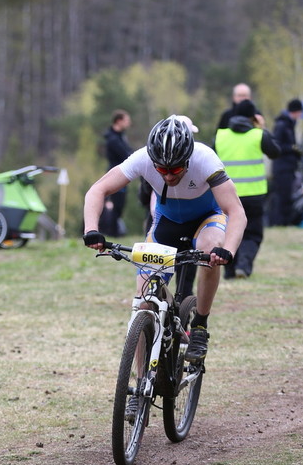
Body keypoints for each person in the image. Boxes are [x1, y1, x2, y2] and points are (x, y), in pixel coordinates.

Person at [83, 114, 246, 362]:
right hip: (167, 222)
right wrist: (91, 229)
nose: (168, 176)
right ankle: (141, 382)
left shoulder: (205, 159)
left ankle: (199, 325)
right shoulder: (143, 157)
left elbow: (236, 211)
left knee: (210, 249)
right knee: (143, 302)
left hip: (206, 219)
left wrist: (229, 250)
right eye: (161, 169)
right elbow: (98, 189)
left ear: (188, 159)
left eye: (176, 169)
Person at [214, 100, 279, 279]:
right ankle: (243, 265)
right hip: (254, 194)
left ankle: (229, 271)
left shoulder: (221, 135)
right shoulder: (258, 135)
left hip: (226, 194)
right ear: (253, 117)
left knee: (228, 232)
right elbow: (276, 152)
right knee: (252, 233)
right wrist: (263, 128)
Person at [99, 110, 133, 237]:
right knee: (115, 205)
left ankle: (114, 232)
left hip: (122, 174)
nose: (129, 123)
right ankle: (112, 233)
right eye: (126, 120)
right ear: (119, 121)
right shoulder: (113, 139)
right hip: (116, 175)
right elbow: (125, 154)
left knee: (119, 205)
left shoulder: (120, 137)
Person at [270, 98, 303, 225]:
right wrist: (292, 148)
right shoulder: (282, 125)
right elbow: (276, 145)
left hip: (288, 166)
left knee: (287, 194)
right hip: (282, 167)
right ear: (296, 111)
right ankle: (280, 221)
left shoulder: (289, 125)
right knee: (282, 195)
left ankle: (285, 221)